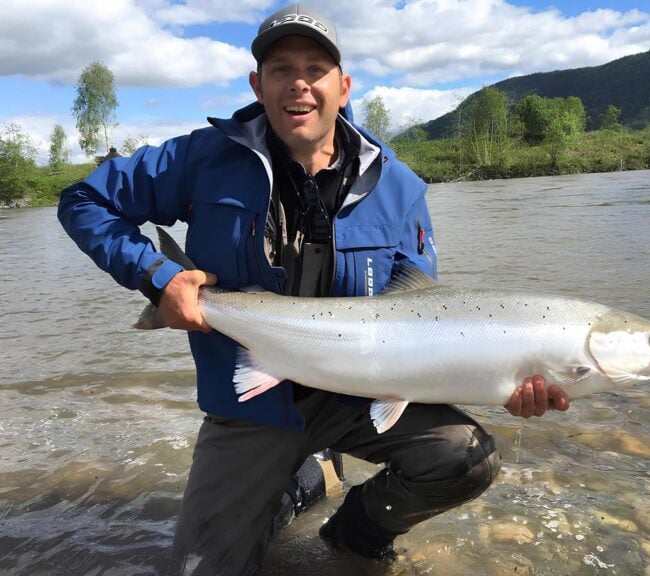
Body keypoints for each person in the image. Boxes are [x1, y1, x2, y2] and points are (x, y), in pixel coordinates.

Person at [58, 3, 570, 574]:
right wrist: (159, 278)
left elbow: (422, 311)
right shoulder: (201, 159)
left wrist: (503, 381)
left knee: (466, 458)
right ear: (258, 84)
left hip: (360, 398)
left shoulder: (400, 188)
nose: (298, 84)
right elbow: (84, 200)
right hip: (252, 405)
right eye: (281, 69)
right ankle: (300, 482)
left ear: (344, 87)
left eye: (315, 69)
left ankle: (355, 534)